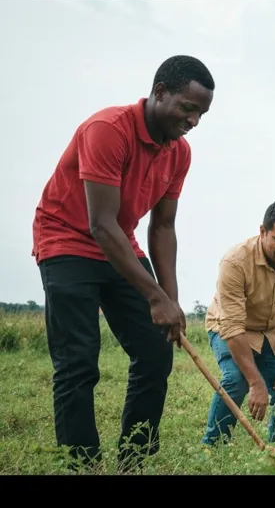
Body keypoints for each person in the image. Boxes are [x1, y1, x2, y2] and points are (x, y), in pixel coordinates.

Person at [31, 55, 214, 472]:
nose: (194, 121)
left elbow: (163, 227)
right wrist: (153, 296)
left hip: (121, 244)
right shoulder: (107, 130)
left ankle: (134, 461)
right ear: (160, 92)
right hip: (67, 240)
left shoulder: (179, 153)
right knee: (78, 362)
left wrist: (170, 298)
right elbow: (100, 224)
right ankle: (82, 466)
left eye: (201, 113)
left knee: (155, 352)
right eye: (188, 108)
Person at [201, 200, 275, 447]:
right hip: (231, 328)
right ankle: (214, 447)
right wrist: (256, 383)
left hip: (273, 329)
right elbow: (232, 326)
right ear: (262, 231)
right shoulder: (235, 261)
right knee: (237, 379)